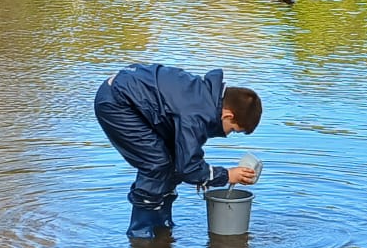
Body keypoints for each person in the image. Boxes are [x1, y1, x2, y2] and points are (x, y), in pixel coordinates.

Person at [93, 63, 261, 238]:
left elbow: (183, 159)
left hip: (133, 95)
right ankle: (140, 235)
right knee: (156, 164)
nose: (227, 135)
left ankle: (162, 227)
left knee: (172, 159)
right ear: (228, 115)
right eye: (232, 129)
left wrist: (203, 176)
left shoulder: (205, 99)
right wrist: (226, 175)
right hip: (117, 102)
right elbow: (189, 168)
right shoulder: (196, 114)